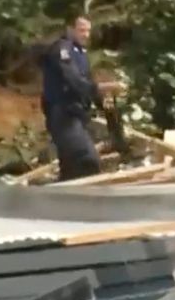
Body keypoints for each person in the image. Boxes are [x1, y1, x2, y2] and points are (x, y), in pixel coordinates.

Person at [37, 16, 125, 181]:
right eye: (82, 30)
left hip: (76, 115)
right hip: (63, 114)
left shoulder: (80, 53)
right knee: (86, 161)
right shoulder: (62, 50)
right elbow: (73, 80)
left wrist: (102, 100)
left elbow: (86, 81)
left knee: (72, 167)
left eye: (88, 31)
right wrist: (102, 87)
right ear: (70, 29)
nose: (86, 35)